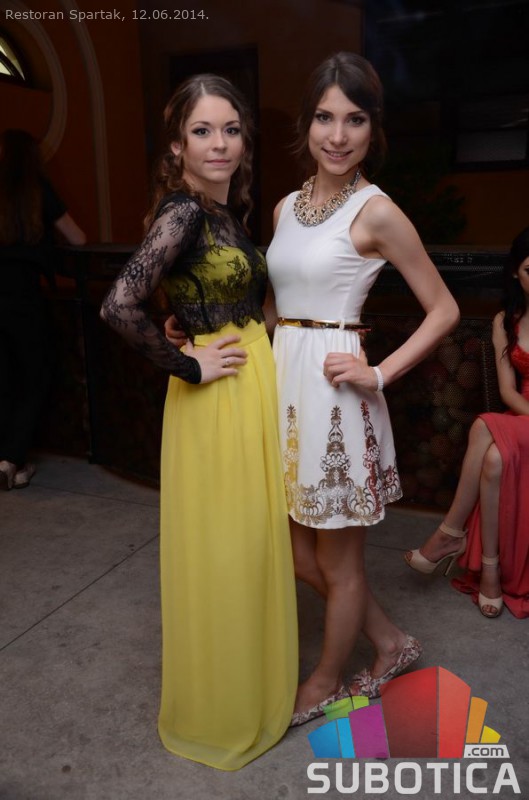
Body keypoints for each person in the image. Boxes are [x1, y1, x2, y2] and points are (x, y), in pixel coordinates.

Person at [100, 75, 297, 770]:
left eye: (231, 130)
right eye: (203, 131)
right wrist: (189, 365)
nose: (220, 144)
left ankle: (247, 691)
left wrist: (186, 322)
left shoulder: (223, 210)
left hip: (246, 388)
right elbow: (117, 305)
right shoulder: (184, 213)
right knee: (225, 552)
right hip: (217, 401)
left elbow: (201, 292)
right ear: (177, 146)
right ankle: (220, 709)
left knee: (247, 548)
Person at [264, 52, 460, 725]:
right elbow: (276, 310)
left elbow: (444, 308)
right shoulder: (284, 207)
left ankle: (325, 681)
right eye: (325, 117)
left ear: (373, 128)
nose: (337, 135)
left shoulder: (377, 212)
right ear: (307, 123)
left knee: (338, 560)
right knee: (295, 551)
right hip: (284, 391)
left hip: (336, 401)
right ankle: (390, 641)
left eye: (354, 120)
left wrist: (377, 373)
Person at [405, 227, 529, 619]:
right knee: (492, 458)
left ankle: (449, 533)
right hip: (522, 416)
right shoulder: (505, 321)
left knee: (483, 427)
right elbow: (508, 392)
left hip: (517, 424)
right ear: (516, 273)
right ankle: (488, 569)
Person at [0, 129, 86, 491]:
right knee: (36, 375)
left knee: (5, 377)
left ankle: (10, 459)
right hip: (23, 296)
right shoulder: (37, 190)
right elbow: (78, 238)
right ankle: (11, 459)